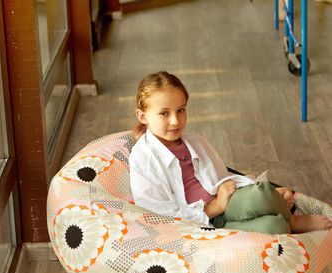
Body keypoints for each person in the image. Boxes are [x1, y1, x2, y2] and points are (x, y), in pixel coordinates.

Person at [129, 71, 332, 234]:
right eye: (164, 113)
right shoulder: (143, 159)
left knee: (261, 193)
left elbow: (224, 179)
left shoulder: (196, 142)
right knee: (274, 228)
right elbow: (159, 215)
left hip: (228, 203)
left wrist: (268, 194)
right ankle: (289, 222)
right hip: (201, 224)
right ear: (142, 116)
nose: (175, 120)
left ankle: (291, 217)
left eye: (181, 110)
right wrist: (214, 208)